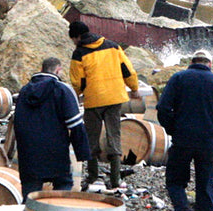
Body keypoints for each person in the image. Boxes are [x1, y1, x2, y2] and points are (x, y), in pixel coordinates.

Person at [154, 49, 213, 211]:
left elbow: (163, 108)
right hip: (208, 141)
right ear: (210, 64)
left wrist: (172, 128)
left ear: (192, 61)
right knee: (205, 184)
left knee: (175, 180)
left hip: (182, 139)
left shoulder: (178, 78)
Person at [67, 20, 139, 190]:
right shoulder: (113, 46)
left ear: (77, 36)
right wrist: (134, 87)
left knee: (91, 138)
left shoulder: (79, 53)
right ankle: (115, 180)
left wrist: (77, 94)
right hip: (115, 98)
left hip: (94, 100)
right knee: (114, 135)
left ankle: (93, 177)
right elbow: (127, 69)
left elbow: (77, 81)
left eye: (73, 39)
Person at [12, 58, 91, 193]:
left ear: (42, 69)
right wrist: (83, 153)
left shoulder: (24, 91)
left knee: (30, 195)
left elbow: (17, 122)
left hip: (28, 155)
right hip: (56, 153)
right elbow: (75, 124)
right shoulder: (62, 90)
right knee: (63, 186)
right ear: (58, 70)